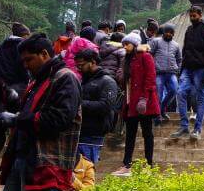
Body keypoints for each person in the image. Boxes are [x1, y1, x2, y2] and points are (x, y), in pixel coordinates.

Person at [0, 33, 82, 191]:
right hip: (22, 157)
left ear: (44, 54)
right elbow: (28, 112)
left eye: (29, 60)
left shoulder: (66, 78)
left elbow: (58, 119)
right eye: (23, 61)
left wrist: (16, 119)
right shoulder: (36, 81)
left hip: (44, 162)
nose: (26, 66)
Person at [113, 33, 159, 176]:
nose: (125, 46)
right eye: (124, 44)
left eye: (127, 44)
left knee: (147, 134)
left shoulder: (145, 56)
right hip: (130, 102)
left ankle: (149, 165)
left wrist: (144, 99)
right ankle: (126, 165)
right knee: (130, 135)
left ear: (135, 44)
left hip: (144, 102)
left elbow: (150, 78)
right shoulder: (126, 59)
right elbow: (126, 82)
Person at [171, 6, 204, 140]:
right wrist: (182, 68)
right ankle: (184, 126)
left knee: (200, 97)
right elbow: (185, 50)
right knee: (180, 93)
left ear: (200, 15)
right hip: (187, 68)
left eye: (194, 16)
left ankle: (197, 129)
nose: (192, 18)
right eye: (190, 16)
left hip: (201, 68)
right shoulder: (189, 30)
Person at [75, 48, 119, 165]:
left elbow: (106, 106)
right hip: (80, 131)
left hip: (94, 133)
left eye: (82, 65)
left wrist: (79, 104)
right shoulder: (82, 81)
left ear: (93, 62)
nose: (79, 68)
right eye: (77, 66)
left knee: (86, 170)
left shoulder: (107, 81)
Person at [0, 22, 32, 93]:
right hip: (16, 88)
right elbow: (23, 66)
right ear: (25, 35)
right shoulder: (22, 47)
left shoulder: (0, 47)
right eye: (28, 35)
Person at [150, 23, 181, 120]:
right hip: (158, 73)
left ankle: (162, 109)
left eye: (171, 32)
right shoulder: (156, 42)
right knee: (158, 95)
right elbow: (149, 55)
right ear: (163, 32)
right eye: (167, 32)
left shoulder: (176, 45)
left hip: (171, 73)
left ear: (174, 33)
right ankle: (157, 115)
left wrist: (178, 69)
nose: (169, 34)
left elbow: (179, 59)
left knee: (174, 90)